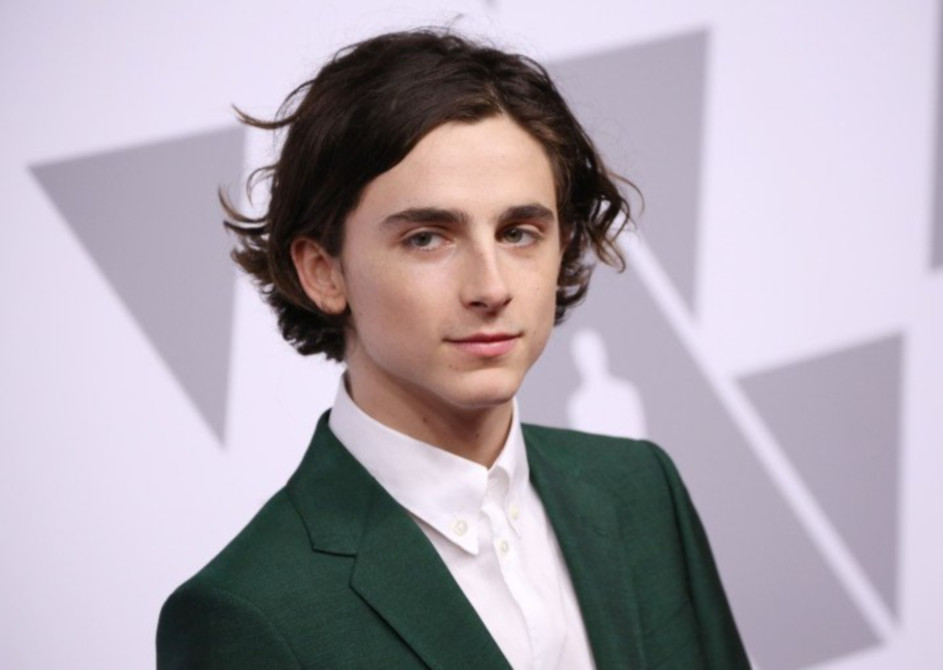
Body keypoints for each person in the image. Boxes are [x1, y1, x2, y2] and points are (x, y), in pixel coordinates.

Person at [156, 28, 749, 669]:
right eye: (427, 238)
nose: (491, 288)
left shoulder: (641, 490)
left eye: (519, 232)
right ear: (323, 271)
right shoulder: (247, 611)